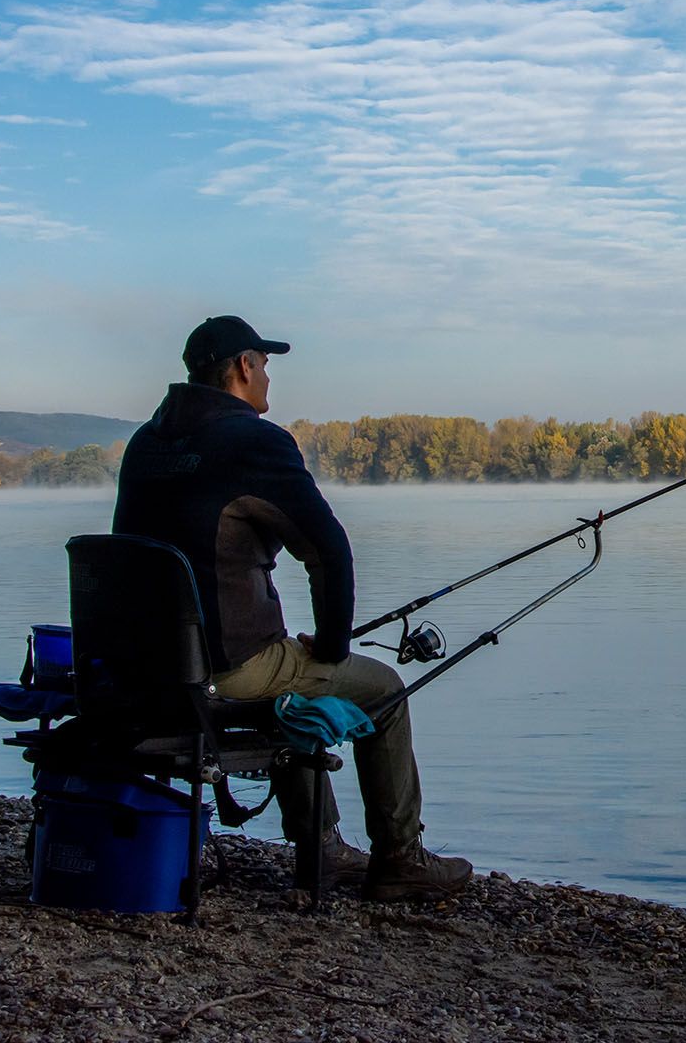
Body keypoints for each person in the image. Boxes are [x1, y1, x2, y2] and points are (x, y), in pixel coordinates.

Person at [112, 314, 472, 901]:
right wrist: (331, 648)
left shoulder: (146, 442)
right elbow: (328, 551)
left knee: (291, 676)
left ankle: (321, 844)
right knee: (382, 688)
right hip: (223, 668)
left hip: (140, 666)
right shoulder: (253, 440)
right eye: (264, 364)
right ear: (242, 367)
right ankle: (399, 858)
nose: (269, 379)